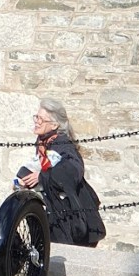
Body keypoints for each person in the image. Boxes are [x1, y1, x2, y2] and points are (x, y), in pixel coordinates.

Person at [17, 98, 106, 247]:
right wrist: (24, 178)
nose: (37, 121)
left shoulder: (63, 144)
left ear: (55, 125)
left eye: (41, 119)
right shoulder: (43, 143)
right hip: (54, 213)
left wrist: (41, 176)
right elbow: (41, 167)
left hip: (68, 219)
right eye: (36, 117)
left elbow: (73, 171)